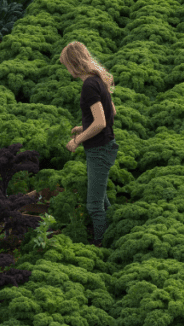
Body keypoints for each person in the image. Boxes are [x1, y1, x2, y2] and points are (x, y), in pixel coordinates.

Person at [60, 41, 119, 247]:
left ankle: (101, 245)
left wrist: (77, 140)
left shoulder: (88, 86)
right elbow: (111, 112)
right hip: (104, 146)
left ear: (73, 63)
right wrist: (82, 127)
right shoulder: (98, 79)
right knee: (101, 200)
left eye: (66, 64)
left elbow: (101, 122)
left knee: (94, 205)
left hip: (99, 149)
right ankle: (118, 230)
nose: (67, 69)